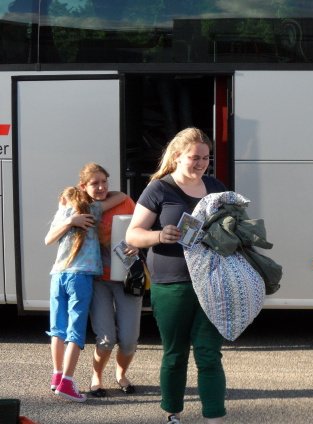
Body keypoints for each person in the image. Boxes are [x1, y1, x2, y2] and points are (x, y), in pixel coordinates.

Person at [125, 127, 227, 424]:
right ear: (177, 156)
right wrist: (160, 235)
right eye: (194, 158)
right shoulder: (159, 189)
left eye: (206, 158)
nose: (201, 164)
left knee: (209, 353)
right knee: (175, 353)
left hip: (211, 280)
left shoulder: (215, 185)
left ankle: (215, 417)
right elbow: (133, 236)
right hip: (172, 284)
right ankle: (172, 412)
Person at [45, 183, 125, 402]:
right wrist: (97, 198)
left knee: (57, 330)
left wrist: (69, 219)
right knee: (75, 332)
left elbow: (47, 240)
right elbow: (121, 197)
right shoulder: (92, 210)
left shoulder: (63, 213)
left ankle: (57, 375)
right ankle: (67, 383)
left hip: (58, 275)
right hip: (80, 277)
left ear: (64, 199)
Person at [73, 163, 141, 398]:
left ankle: (121, 375)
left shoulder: (124, 202)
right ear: (83, 186)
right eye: (95, 183)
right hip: (98, 279)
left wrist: (136, 244)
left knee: (129, 340)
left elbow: (139, 229)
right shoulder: (81, 209)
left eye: (104, 182)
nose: (101, 187)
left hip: (126, 277)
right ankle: (97, 378)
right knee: (105, 340)